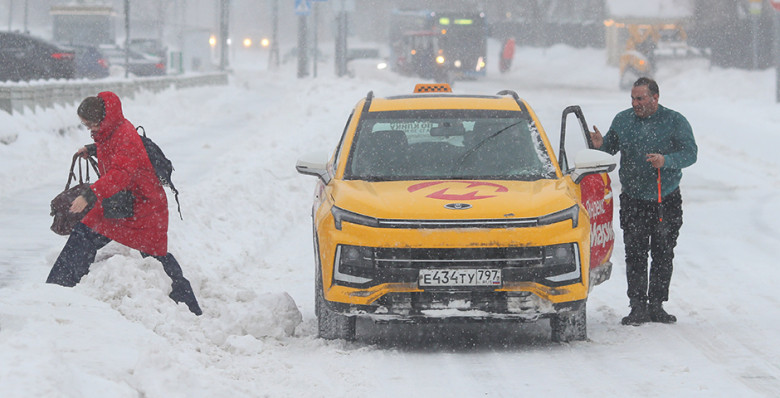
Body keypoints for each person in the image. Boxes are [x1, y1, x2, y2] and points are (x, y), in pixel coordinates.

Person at [46, 91, 202, 316]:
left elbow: (120, 174)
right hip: (121, 202)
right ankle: (56, 290)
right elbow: (113, 149)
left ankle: (189, 307)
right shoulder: (111, 128)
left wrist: (89, 196)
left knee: (156, 256)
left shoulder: (124, 135)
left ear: (102, 119)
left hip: (145, 206)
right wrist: (91, 149)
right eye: (84, 125)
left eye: (90, 124)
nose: (89, 129)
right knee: (84, 233)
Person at [590, 77, 697, 326]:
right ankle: (637, 306)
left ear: (655, 98)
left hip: (665, 198)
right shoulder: (623, 120)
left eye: (640, 98)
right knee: (635, 254)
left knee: (663, 253)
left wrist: (666, 161)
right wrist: (600, 145)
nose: (635, 103)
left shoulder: (674, 121)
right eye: (633, 98)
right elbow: (610, 147)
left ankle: (656, 305)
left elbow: (691, 153)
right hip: (634, 199)